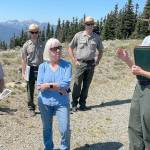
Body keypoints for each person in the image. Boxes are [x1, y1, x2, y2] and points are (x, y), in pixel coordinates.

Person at [117, 18, 150, 150]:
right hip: (140, 86)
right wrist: (127, 59)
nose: (148, 26)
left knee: (147, 127)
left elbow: (142, 71)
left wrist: (142, 72)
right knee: (135, 127)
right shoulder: (147, 39)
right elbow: (137, 70)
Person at [37, 38, 72, 150]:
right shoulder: (42, 66)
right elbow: (39, 87)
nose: (57, 51)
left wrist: (48, 85)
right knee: (46, 128)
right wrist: (57, 87)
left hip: (62, 102)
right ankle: (48, 147)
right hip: (45, 103)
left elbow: (64, 85)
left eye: (59, 48)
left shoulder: (67, 65)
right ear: (48, 51)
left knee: (64, 129)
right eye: (54, 49)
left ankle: (64, 148)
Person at [67, 16, 104, 112]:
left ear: (93, 25)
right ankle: (74, 104)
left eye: (91, 24)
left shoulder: (96, 37)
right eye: (88, 24)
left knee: (86, 85)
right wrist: (74, 60)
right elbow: (70, 47)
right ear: (85, 25)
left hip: (91, 64)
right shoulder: (78, 35)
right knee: (77, 85)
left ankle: (82, 104)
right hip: (80, 64)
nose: (90, 26)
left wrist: (98, 61)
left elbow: (101, 50)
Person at [21, 24, 45, 116]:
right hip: (30, 68)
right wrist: (23, 72)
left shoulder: (43, 44)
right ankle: (31, 108)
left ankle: (42, 106)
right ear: (29, 33)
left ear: (38, 33)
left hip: (41, 68)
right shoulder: (26, 45)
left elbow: (46, 57)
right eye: (32, 32)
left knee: (42, 88)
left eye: (36, 32)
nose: (34, 34)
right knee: (30, 89)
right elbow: (23, 59)